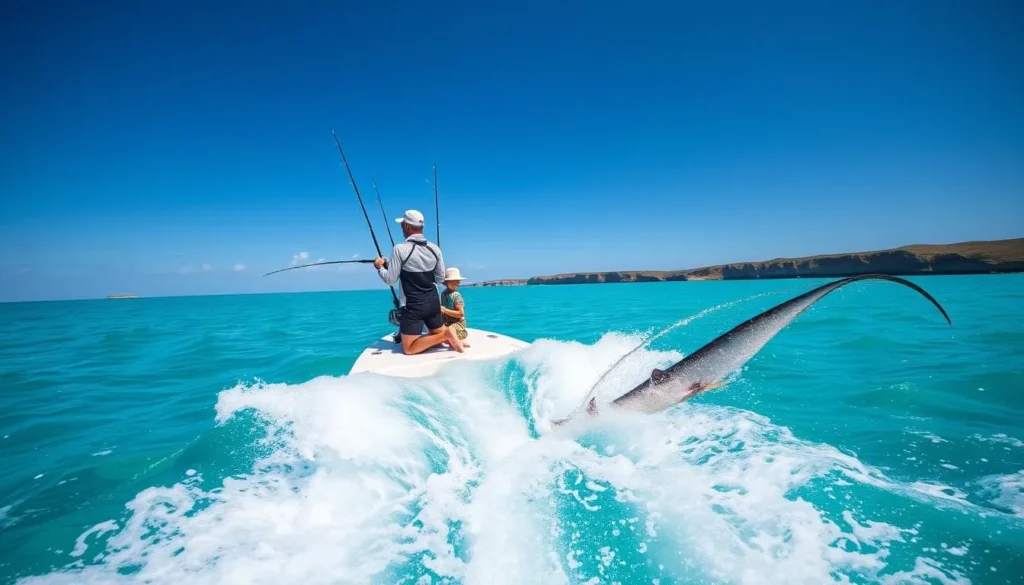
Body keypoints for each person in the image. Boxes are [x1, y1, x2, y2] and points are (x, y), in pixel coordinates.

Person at [374, 210, 464, 355]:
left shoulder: (399, 249)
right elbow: (440, 279)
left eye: (402, 224)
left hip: (413, 306)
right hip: (433, 304)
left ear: (408, 227)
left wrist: (379, 267)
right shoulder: (435, 249)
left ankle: (447, 335)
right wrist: (390, 263)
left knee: (409, 348)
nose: (402, 227)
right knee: (437, 337)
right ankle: (451, 338)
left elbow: (390, 279)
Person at [440, 267, 470, 346]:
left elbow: (460, 314)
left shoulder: (456, 296)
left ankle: (460, 337)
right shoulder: (443, 294)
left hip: (457, 323)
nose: (455, 283)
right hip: (447, 322)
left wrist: (445, 310)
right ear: (446, 282)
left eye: (457, 281)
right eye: (452, 281)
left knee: (449, 333)